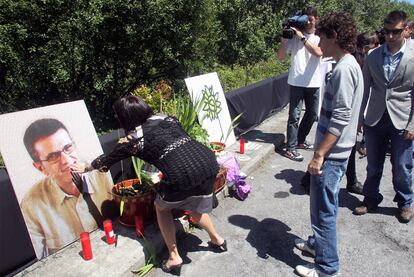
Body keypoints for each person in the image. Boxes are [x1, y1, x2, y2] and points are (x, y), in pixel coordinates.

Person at [73, 95, 227, 274]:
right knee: (191, 204)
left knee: (161, 208)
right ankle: (218, 240)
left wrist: (86, 167)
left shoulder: (134, 139)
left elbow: (108, 159)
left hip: (181, 175)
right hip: (207, 161)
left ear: (124, 118)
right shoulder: (166, 117)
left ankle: (174, 256)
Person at [294, 12, 363, 277]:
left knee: (323, 211)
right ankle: (317, 247)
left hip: (332, 155)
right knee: (326, 204)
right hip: (336, 151)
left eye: (322, 35)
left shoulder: (345, 69)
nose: (319, 40)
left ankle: (327, 267)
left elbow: (341, 117)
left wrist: (320, 154)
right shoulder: (346, 63)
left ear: (334, 36)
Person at [21, 118, 113, 259]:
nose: (66, 160)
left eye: (68, 148)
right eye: (53, 156)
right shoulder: (31, 205)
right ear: (40, 168)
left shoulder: (101, 174)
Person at [354, 10, 414, 223]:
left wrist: (413, 124)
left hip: (403, 118)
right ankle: (371, 197)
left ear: (406, 30)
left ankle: (405, 202)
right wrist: (359, 117)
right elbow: (364, 89)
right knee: (373, 163)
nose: (390, 36)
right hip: (375, 117)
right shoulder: (373, 55)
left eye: (395, 32)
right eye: (387, 31)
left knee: (402, 165)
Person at [277, 6, 323, 162]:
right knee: (294, 116)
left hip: (314, 81)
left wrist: (302, 37)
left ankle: (301, 140)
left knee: (312, 114)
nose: (308, 22)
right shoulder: (295, 35)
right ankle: (290, 148)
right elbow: (281, 56)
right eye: (306, 19)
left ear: (316, 19)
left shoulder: (320, 36)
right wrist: (284, 40)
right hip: (297, 81)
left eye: (311, 19)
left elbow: (318, 53)